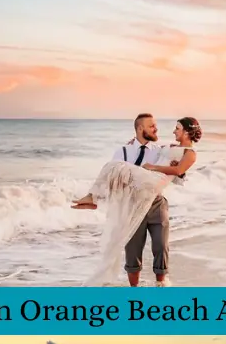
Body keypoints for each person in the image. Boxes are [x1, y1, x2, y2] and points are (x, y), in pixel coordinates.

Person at [72, 115, 202, 286]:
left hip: (155, 195)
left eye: (177, 128)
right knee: (132, 250)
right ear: (140, 129)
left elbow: (178, 172)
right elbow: (118, 179)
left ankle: (161, 286)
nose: (167, 130)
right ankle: (134, 290)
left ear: (186, 132)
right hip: (133, 202)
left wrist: (156, 167)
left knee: (161, 247)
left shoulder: (172, 150)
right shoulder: (128, 150)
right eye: (152, 126)